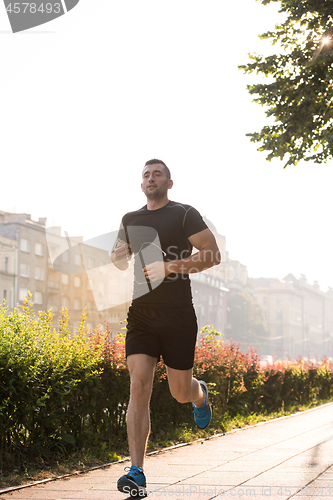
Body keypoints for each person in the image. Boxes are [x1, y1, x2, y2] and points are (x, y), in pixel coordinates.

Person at [111, 159, 221, 497]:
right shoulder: (130, 219)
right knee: (138, 385)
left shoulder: (184, 214)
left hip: (177, 314)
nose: (151, 178)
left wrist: (168, 266)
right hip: (142, 313)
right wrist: (119, 254)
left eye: (157, 174)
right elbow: (118, 258)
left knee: (179, 393)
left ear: (169, 183)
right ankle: (137, 472)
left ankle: (199, 395)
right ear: (140, 184)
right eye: (146, 174)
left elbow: (212, 254)